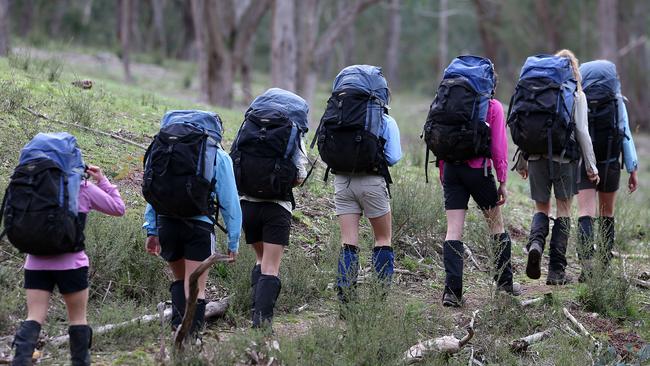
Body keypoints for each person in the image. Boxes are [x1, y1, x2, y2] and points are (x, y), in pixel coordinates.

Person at [8, 140, 125, 366]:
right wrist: (102, 180)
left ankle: (20, 361)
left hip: (35, 263)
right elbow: (118, 208)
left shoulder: (26, 184)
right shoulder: (80, 187)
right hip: (72, 265)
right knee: (78, 319)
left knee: (33, 317)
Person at [425, 56, 517, 307]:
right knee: (496, 226)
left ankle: (451, 293)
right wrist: (502, 180)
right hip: (479, 172)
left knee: (453, 230)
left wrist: (444, 171)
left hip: (452, 170)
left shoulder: (445, 102)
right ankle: (505, 285)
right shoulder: (493, 107)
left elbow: (440, 136)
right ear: (489, 85)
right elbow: (498, 148)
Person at [143, 110, 241, 338]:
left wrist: (152, 229)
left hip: (167, 224)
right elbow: (230, 202)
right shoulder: (217, 154)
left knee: (180, 281)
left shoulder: (162, 148)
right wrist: (233, 240)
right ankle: (190, 341)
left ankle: (178, 333)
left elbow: (153, 191)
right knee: (196, 287)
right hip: (199, 227)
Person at [313, 65, 402, 306]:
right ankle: (378, 299)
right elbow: (393, 157)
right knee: (383, 239)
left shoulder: (335, 116)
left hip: (342, 181)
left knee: (348, 241)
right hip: (373, 181)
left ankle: (345, 300)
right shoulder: (384, 119)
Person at [514, 50, 600, 285]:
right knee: (563, 210)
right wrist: (592, 166)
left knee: (541, 208)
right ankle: (556, 271)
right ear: (573, 70)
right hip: (564, 159)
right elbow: (582, 132)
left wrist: (522, 160)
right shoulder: (576, 94)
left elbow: (526, 126)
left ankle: (535, 244)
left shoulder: (535, 92)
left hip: (535, 156)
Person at [230, 88, 310, 328]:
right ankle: (261, 327)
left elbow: (234, 157)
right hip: (277, 208)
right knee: (271, 267)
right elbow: (299, 175)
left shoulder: (249, 127)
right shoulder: (292, 132)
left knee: (260, 259)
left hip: (247, 206)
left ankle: (254, 311)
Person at [575, 60, 639, 281]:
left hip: (585, 161)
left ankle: (586, 266)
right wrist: (632, 168)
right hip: (611, 161)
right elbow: (625, 130)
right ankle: (603, 267)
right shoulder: (616, 100)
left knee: (585, 213)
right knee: (607, 214)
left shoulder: (579, 98)